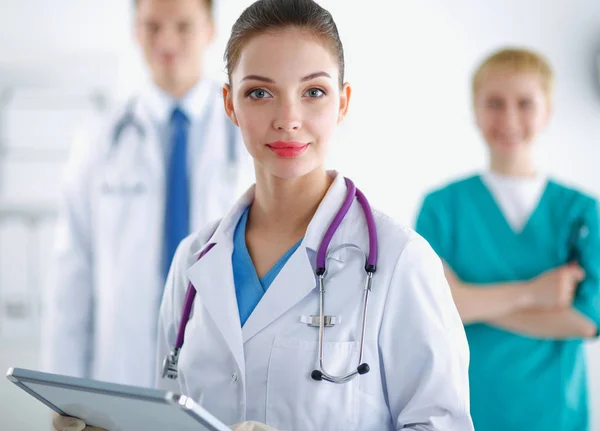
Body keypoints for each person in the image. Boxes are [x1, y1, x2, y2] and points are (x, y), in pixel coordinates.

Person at [52, 0, 473, 430]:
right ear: (230, 104)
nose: (288, 119)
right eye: (259, 92)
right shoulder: (193, 261)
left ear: (342, 103)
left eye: (314, 92)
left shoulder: (401, 261)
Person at [42, 0, 252, 389]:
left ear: (209, 29)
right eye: (152, 26)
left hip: (221, 368)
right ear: (135, 30)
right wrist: (63, 393)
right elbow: (72, 280)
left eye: (182, 26)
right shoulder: (99, 141)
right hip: (122, 370)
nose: (167, 41)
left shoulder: (245, 137)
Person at [415, 48, 600, 431]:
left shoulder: (581, 213)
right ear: (475, 110)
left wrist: (468, 302)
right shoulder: (441, 208)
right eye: (495, 103)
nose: (509, 118)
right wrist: (534, 293)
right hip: (465, 410)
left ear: (547, 111)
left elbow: (586, 319)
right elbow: (431, 309)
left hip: (557, 414)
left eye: (525, 104)